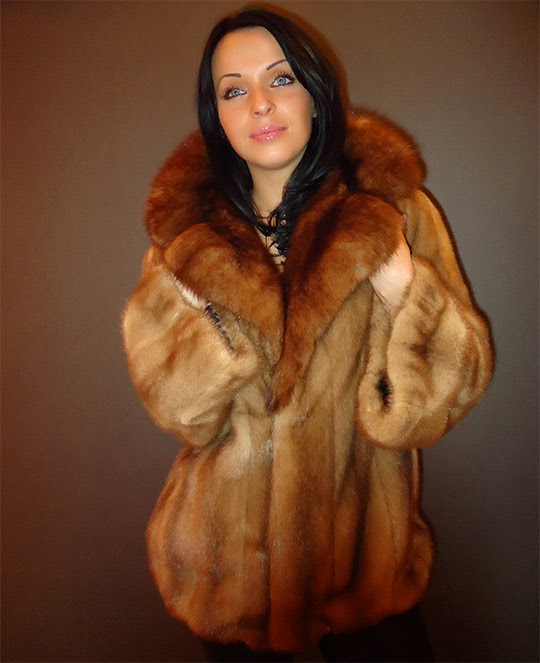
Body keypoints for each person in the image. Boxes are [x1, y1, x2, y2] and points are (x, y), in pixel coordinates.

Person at [122, 5, 493, 661]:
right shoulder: (185, 241)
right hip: (227, 571)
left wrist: (406, 291)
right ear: (217, 115)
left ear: (316, 93)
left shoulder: (393, 213)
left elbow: (440, 400)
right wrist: (208, 320)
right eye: (233, 90)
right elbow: (180, 413)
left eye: (280, 78)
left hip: (361, 568)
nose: (259, 103)